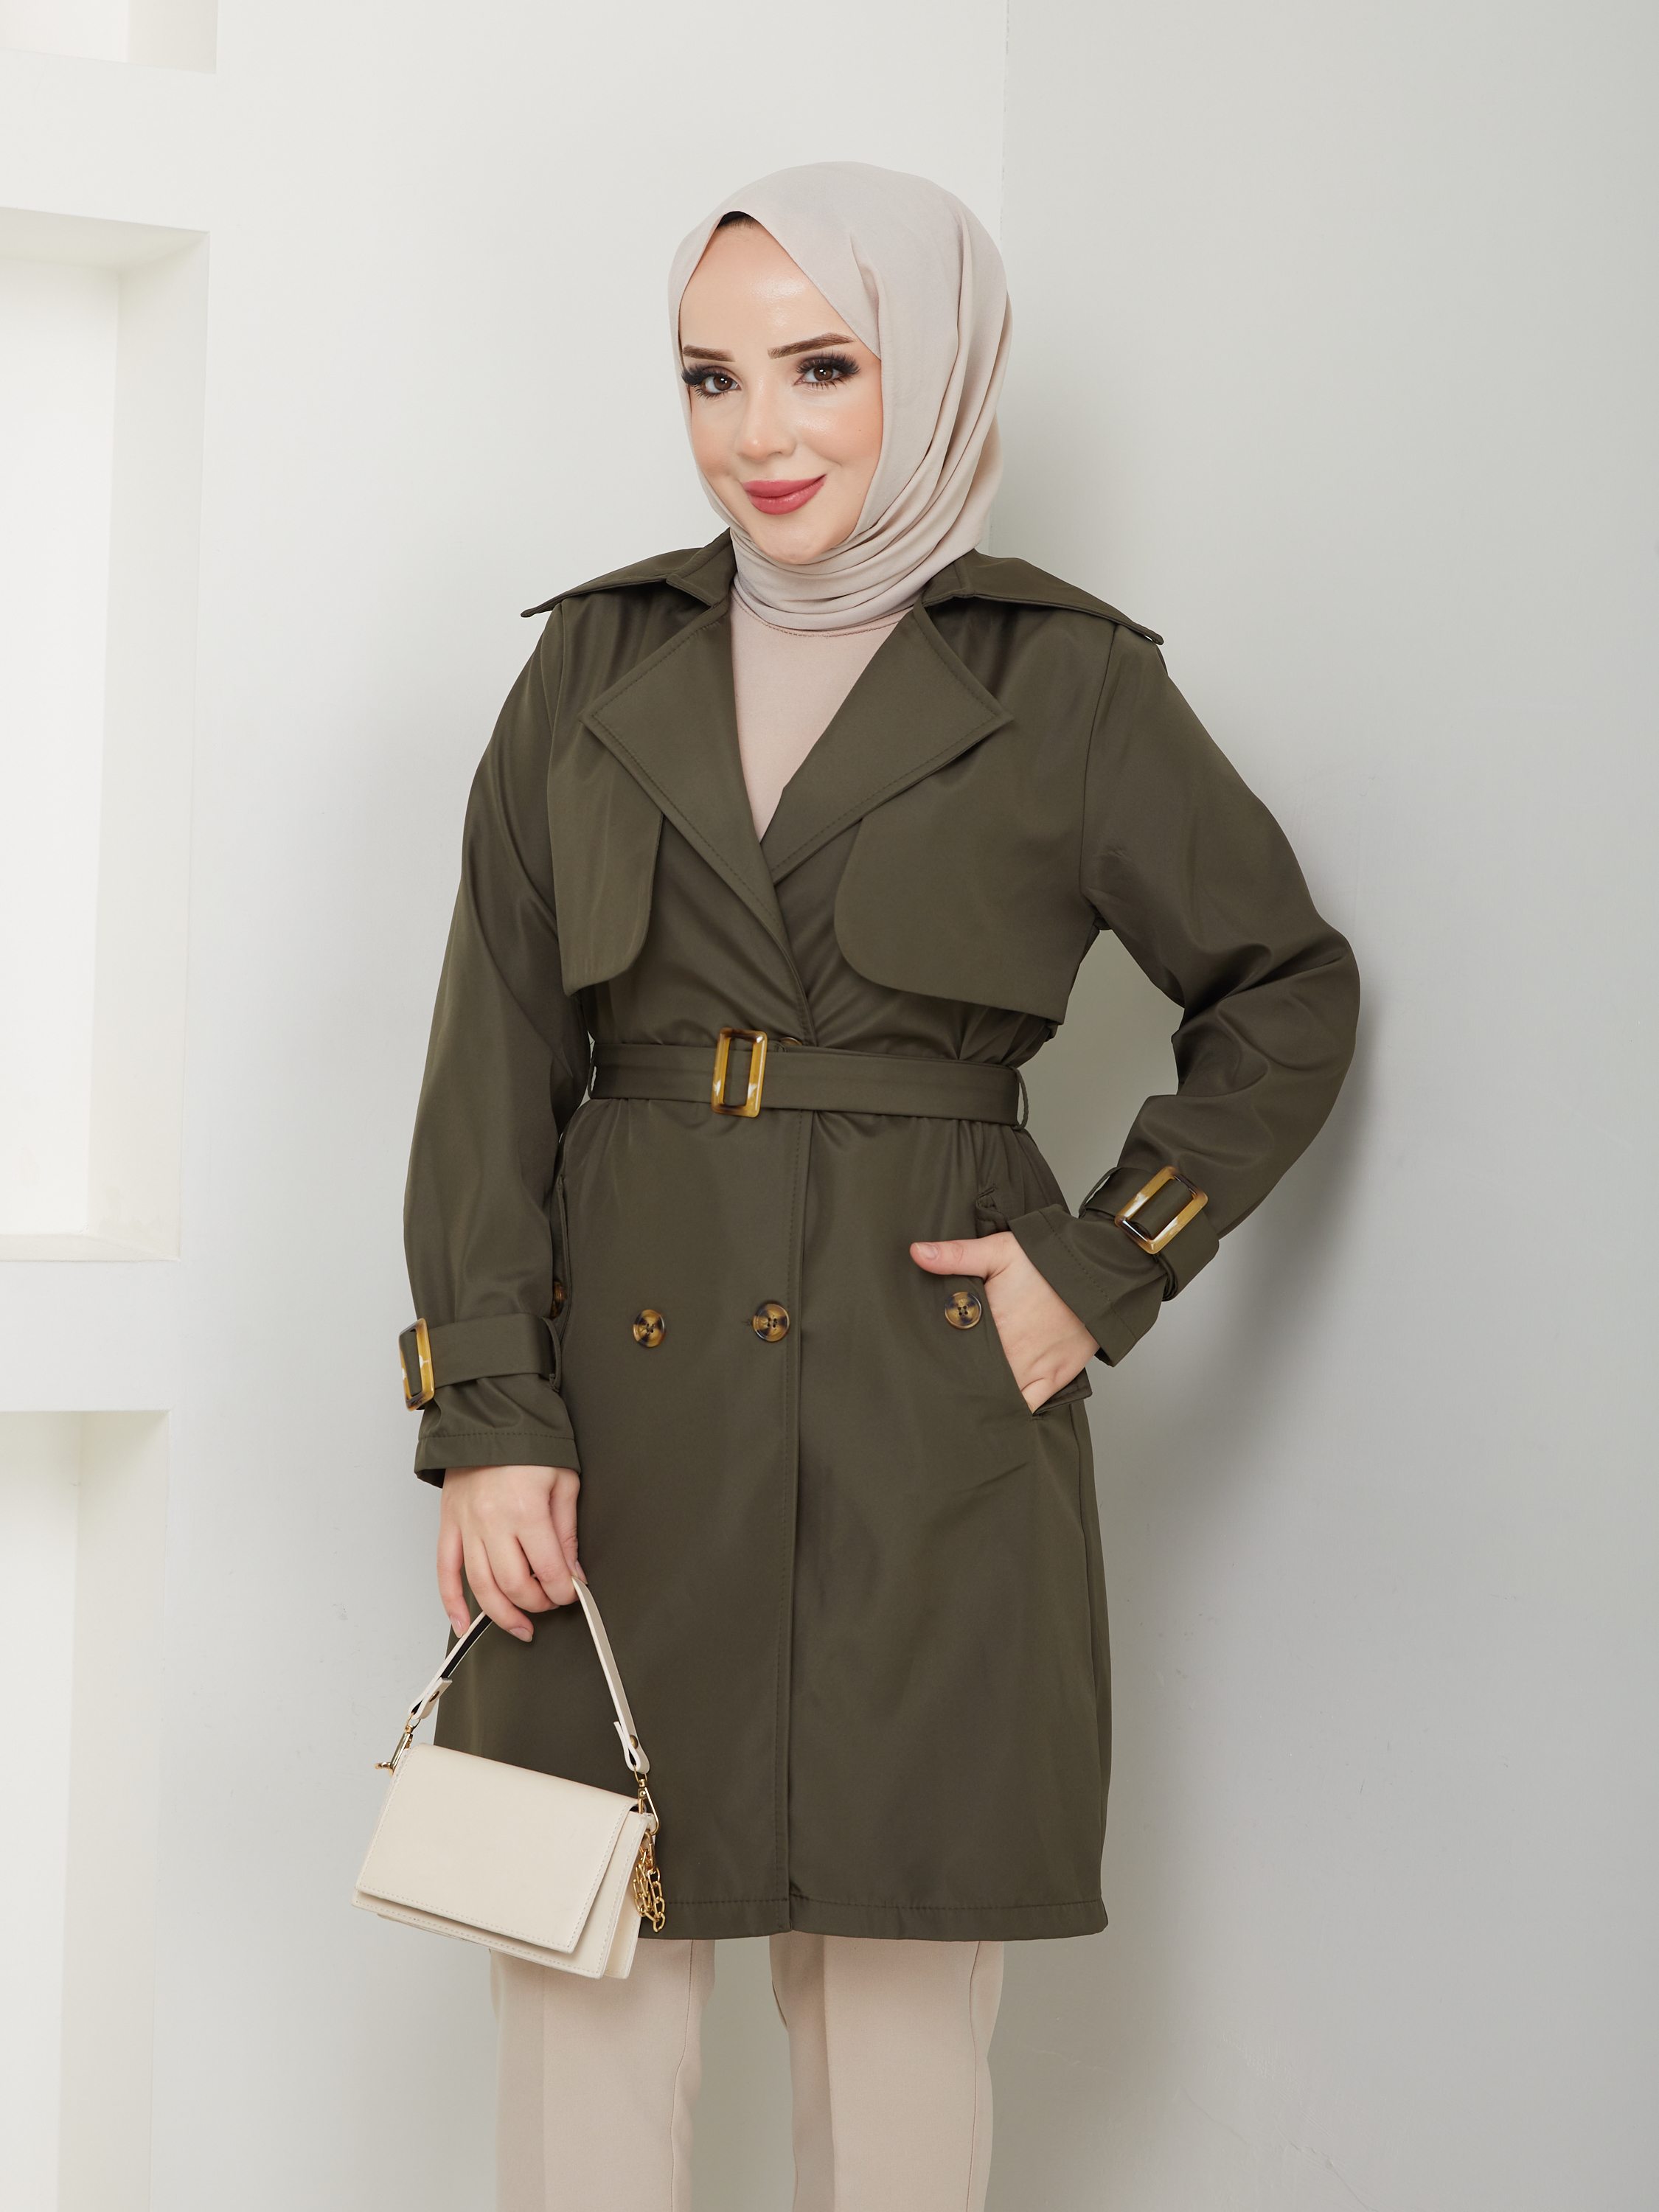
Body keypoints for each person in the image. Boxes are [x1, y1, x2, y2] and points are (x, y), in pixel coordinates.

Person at [398, 161, 1359, 2212]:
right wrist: (487, 1416)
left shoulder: (1066, 681)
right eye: (711, 377)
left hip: (924, 1405)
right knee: (577, 1994)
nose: (761, 432)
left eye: (822, 368)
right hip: (615, 1415)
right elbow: (491, 1057)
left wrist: (1096, 1270)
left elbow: (1283, 990)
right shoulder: (592, 663)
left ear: (933, 373)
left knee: (903, 2041)